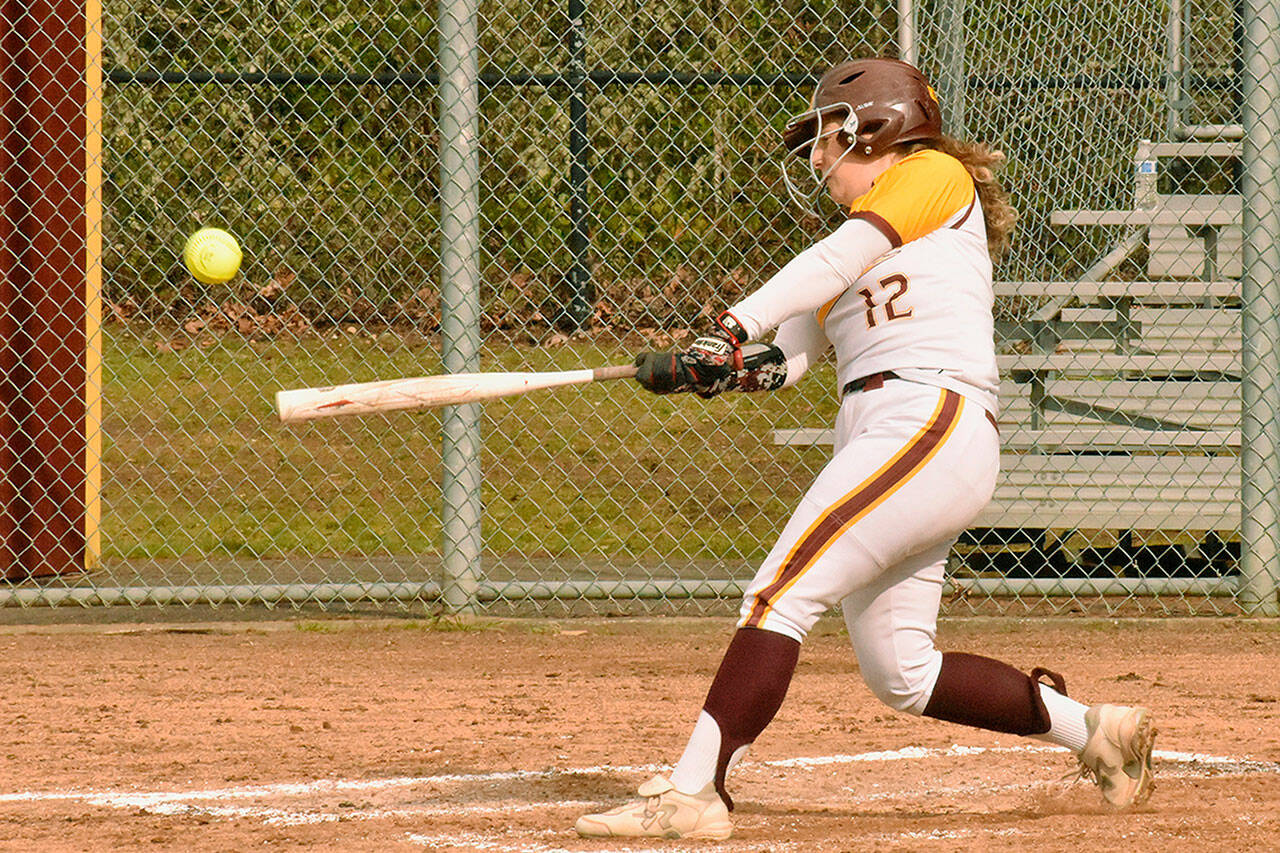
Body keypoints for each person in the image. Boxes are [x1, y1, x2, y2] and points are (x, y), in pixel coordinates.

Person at [574, 57, 1156, 841]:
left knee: (779, 594)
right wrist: (712, 368)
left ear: (874, 128)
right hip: (891, 431)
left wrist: (729, 324)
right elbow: (789, 359)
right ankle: (1096, 731)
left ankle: (694, 791)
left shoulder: (931, 176)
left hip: (927, 415)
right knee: (902, 671)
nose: (817, 159)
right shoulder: (862, 239)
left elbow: (831, 265)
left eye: (826, 138)